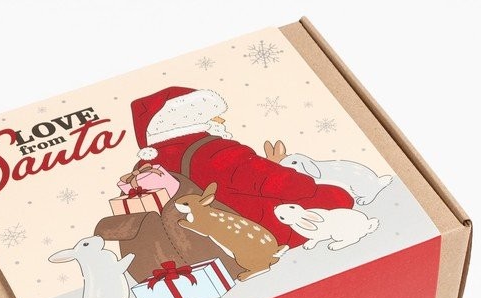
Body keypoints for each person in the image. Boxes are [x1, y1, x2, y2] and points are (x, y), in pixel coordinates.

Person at [131, 86, 354, 248]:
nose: (219, 120)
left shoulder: (146, 165)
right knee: (335, 196)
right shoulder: (215, 150)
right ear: (192, 118)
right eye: (211, 115)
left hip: (204, 238)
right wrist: (306, 183)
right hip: (256, 229)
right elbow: (280, 183)